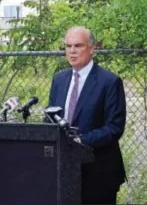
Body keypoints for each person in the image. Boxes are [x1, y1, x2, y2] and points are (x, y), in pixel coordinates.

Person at [47, 26, 127, 204]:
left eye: (78, 46)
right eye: (68, 46)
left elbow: (114, 128)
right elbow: (51, 118)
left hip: (98, 172)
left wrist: (80, 141)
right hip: (64, 170)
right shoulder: (59, 79)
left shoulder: (109, 82)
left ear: (92, 48)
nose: (72, 51)